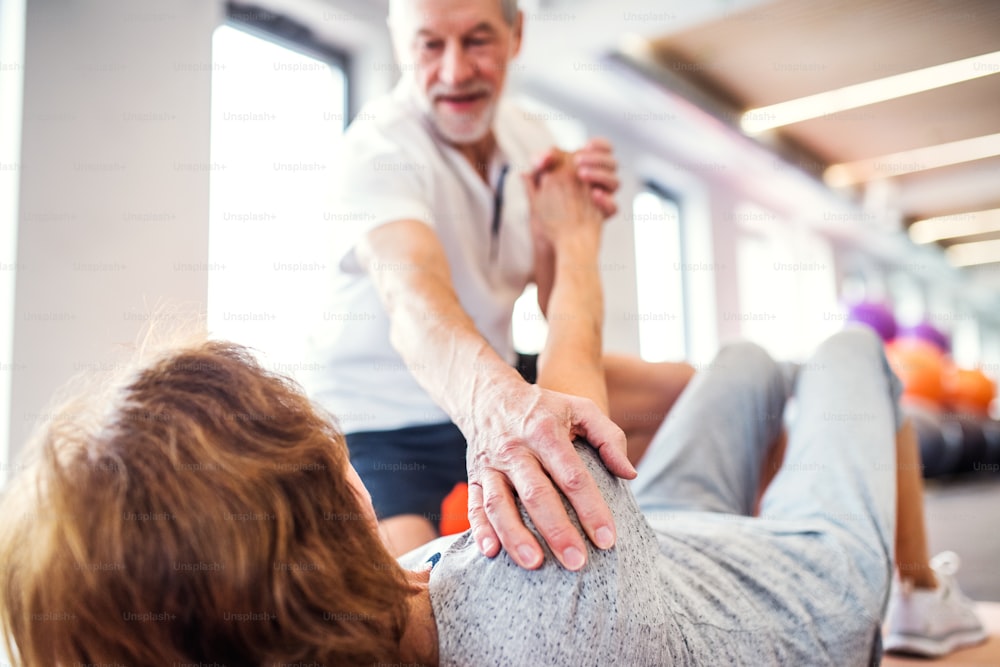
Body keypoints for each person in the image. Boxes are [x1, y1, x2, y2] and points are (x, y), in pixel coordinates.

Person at [0, 159, 947, 666]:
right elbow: (567, 383)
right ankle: (918, 603)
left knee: (737, 365)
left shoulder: (358, 618)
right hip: (793, 588)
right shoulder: (544, 599)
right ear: (329, 519)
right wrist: (574, 241)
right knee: (845, 352)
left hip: (666, 555)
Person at [303, 0, 692, 563]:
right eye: (430, 44)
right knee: (416, 607)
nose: (455, 71)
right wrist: (499, 407)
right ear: (399, 41)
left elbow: (557, 307)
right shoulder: (377, 150)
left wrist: (569, 228)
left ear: (516, 36)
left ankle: (674, 554)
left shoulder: (531, 139)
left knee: (699, 393)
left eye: (477, 40)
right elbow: (415, 305)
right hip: (383, 419)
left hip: (500, 370)